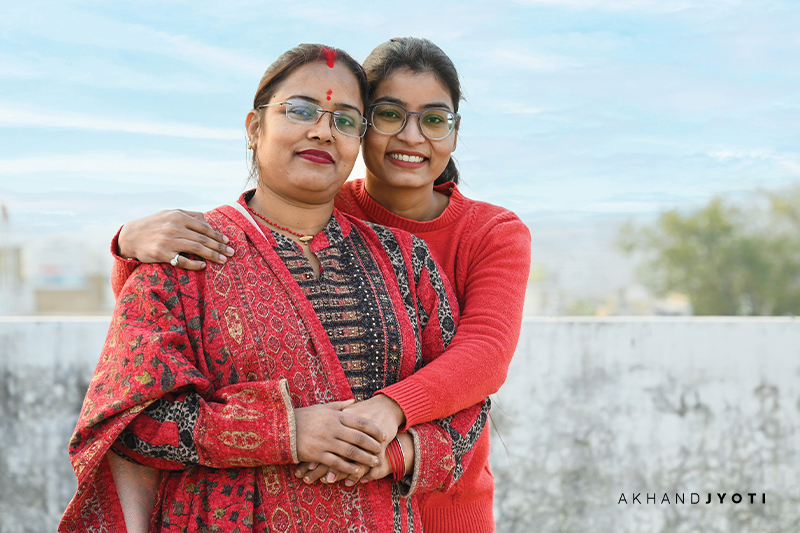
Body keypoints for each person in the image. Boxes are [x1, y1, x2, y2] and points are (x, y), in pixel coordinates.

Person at [59, 42, 489, 533]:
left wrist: (394, 453)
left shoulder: (405, 260)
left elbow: (467, 406)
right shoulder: (184, 254)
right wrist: (285, 431)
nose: (323, 130)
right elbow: (128, 421)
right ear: (254, 127)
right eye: (301, 110)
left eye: (346, 120)